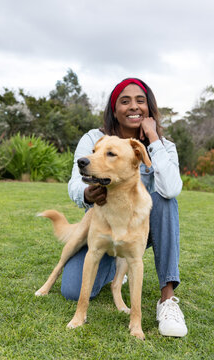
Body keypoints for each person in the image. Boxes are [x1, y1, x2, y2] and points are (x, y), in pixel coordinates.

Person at [62, 78, 187, 337]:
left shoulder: (165, 146)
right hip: (105, 225)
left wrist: (152, 137)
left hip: (142, 228)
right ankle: (117, 270)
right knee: (71, 291)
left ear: (149, 108)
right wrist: (87, 192)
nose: (134, 107)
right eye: (125, 101)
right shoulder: (95, 138)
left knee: (164, 198)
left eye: (141, 101)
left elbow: (173, 187)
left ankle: (167, 298)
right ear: (114, 108)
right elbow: (75, 182)